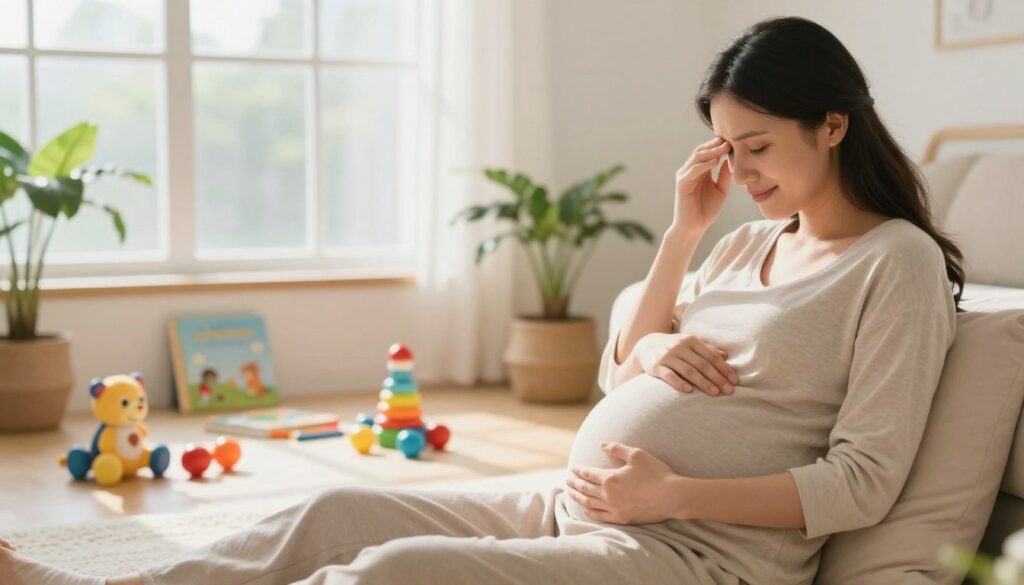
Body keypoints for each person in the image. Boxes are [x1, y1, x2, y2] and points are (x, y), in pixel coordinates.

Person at [1, 15, 964, 585]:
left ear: (833, 123)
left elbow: (862, 480)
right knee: (335, 509)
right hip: (580, 506)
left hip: (691, 556)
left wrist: (672, 491)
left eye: (759, 147)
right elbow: (622, 362)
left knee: (393, 575)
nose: (743, 171)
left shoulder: (897, 265)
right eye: (727, 148)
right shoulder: (749, 237)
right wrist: (681, 238)